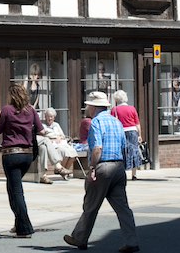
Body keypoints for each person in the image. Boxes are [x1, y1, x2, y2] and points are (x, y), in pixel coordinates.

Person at [63, 91, 139, 253]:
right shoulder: (116, 122)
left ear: (93, 107)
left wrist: (92, 167)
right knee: (123, 208)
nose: (87, 108)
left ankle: (80, 238)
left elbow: (97, 148)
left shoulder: (96, 122)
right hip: (118, 166)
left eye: (88, 106)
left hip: (103, 167)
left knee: (91, 205)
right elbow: (124, 146)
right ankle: (131, 241)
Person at [0, 84, 46, 238]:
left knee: (16, 191)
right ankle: (18, 223)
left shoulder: (6, 110)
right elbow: (41, 130)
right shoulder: (31, 110)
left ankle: (25, 228)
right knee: (12, 188)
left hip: (11, 155)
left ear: (12, 95)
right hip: (27, 155)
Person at [111, 90, 144, 180]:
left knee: (122, 152)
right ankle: (134, 174)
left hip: (121, 131)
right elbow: (137, 123)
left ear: (116, 99)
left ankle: (122, 173)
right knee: (134, 151)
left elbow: (113, 123)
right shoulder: (132, 108)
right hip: (133, 131)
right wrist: (139, 135)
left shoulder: (114, 110)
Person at [37, 107, 77, 181]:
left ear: (54, 117)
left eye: (51, 116)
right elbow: (43, 137)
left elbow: (63, 135)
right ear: (45, 117)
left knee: (73, 152)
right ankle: (59, 169)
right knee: (64, 152)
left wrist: (59, 137)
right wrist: (53, 139)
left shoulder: (56, 125)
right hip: (52, 144)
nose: (50, 118)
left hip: (61, 142)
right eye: (48, 116)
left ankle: (64, 170)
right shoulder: (43, 125)